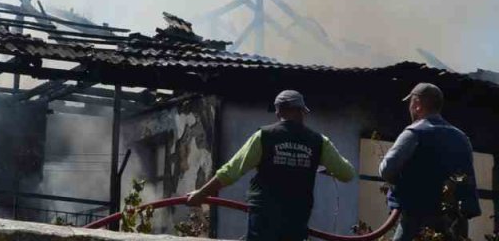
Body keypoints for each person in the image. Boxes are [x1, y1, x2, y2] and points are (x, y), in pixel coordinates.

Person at [187, 90, 356, 241]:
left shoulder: (264, 136)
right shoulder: (319, 142)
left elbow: (230, 172)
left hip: (264, 218)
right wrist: (321, 163)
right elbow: (347, 174)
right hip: (296, 219)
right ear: (302, 111)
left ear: (279, 111)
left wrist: (201, 194)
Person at [379, 83, 481, 241]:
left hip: (416, 222)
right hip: (454, 224)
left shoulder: (413, 133)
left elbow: (386, 170)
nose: (410, 108)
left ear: (418, 104)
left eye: (411, 103)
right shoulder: (462, 138)